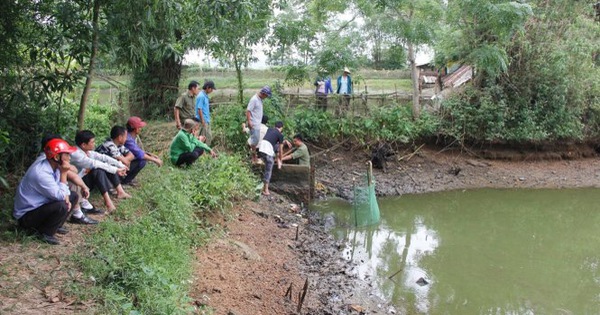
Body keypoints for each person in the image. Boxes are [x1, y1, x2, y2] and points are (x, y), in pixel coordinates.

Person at [13, 139, 79, 244]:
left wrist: (66, 197)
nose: (69, 158)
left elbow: (61, 191)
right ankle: (45, 233)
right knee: (62, 205)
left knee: (73, 196)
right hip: (26, 216)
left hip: (40, 206)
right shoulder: (41, 173)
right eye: (67, 154)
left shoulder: (54, 166)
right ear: (57, 157)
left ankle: (55, 226)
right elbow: (60, 195)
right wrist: (64, 174)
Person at [72, 130, 130, 214]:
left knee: (105, 165)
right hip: (75, 184)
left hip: (82, 180)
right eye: (92, 142)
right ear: (83, 145)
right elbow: (95, 163)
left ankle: (120, 192)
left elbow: (103, 157)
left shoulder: (86, 151)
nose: (94, 144)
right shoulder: (76, 154)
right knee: (98, 169)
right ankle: (108, 202)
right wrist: (116, 170)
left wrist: (120, 165)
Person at [258, 121, 284, 196]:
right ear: (281, 128)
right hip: (267, 152)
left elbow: (275, 146)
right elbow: (281, 149)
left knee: (275, 147)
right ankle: (266, 190)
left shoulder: (269, 130)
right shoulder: (280, 135)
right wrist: (281, 160)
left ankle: (261, 159)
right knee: (268, 170)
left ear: (274, 126)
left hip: (261, 149)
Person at [246, 86, 272, 162]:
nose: (266, 97)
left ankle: (254, 156)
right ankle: (253, 157)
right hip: (254, 123)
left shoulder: (259, 99)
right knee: (254, 142)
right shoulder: (254, 99)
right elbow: (248, 111)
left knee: (255, 141)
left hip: (257, 124)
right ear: (263, 93)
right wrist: (249, 122)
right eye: (266, 96)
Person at [195, 80, 216, 145]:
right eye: (211, 89)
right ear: (207, 87)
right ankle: (202, 152)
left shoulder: (205, 95)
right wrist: (203, 121)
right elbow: (199, 109)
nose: (212, 90)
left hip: (206, 120)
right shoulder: (201, 96)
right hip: (203, 120)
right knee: (203, 138)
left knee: (208, 136)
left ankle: (205, 152)